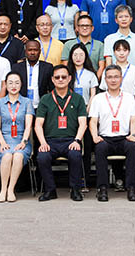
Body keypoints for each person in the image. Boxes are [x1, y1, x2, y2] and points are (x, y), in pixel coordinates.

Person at [35, 64, 88, 202]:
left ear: (69, 78)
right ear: (52, 79)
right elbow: (38, 124)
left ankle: (75, 189)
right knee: (42, 157)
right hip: (50, 141)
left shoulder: (78, 98)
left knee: (75, 155)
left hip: (71, 140)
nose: (60, 80)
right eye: (57, 77)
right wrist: (43, 143)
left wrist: (77, 140)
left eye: (63, 77)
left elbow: (83, 123)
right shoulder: (45, 99)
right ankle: (50, 190)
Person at [90, 65, 135, 201]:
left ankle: (131, 188)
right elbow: (93, 121)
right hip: (105, 138)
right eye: (110, 77)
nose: (113, 80)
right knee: (99, 148)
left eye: (116, 77)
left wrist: (133, 134)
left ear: (121, 78)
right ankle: (102, 188)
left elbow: (134, 120)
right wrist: (95, 136)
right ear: (105, 79)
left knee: (133, 148)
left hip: (124, 138)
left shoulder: (129, 98)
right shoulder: (98, 98)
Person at [0, 71, 34, 202]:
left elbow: (28, 126)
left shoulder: (27, 102)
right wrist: (2, 142)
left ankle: (11, 189)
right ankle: (3, 189)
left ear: (21, 85)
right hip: (3, 139)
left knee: (18, 156)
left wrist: (24, 142)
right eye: (10, 83)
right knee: (6, 156)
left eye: (17, 83)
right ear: (5, 85)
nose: (13, 86)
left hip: (21, 140)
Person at [11, 39, 54, 108]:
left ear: (40, 52)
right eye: (30, 50)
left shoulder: (47, 67)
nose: (32, 52)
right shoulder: (16, 68)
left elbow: (52, 88)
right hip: (21, 107)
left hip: (41, 106)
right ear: (25, 51)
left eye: (35, 50)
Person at [102, 5, 135, 73]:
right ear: (116, 20)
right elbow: (108, 62)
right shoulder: (109, 39)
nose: (124, 19)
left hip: (133, 76)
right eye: (120, 17)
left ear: (131, 19)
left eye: (126, 16)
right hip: (115, 77)